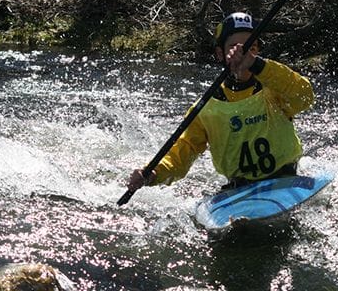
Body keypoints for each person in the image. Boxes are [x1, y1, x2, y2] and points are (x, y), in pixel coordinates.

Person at [127, 12, 315, 192]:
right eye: (235, 49)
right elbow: (183, 152)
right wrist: (154, 173)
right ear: (220, 53)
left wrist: (257, 64)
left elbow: (304, 95)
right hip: (239, 189)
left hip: (286, 178)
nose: (243, 55)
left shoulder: (274, 89)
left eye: (251, 48)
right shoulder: (206, 108)